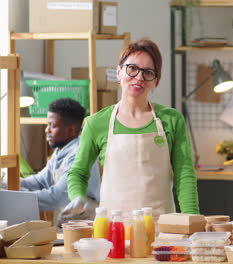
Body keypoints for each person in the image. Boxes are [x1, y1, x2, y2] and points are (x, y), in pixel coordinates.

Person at [64, 38, 199, 218]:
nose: (139, 78)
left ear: (155, 81)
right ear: (119, 73)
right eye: (132, 69)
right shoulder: (96, 123)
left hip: (162, 230)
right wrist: (78, 200)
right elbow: (78, 173)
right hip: (113, 230)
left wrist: (193, 222)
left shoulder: (171, 120)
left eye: (148, 72)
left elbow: (185, 176)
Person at [14, 98, 100, 223]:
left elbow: (56, 197)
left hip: (86, 221)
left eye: (52, 125)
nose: (46, 130)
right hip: (71, 219)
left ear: (70, 130)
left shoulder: (79, 154)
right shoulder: (61, 151)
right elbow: (40, 181)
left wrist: (17, 196)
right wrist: (7, 185)